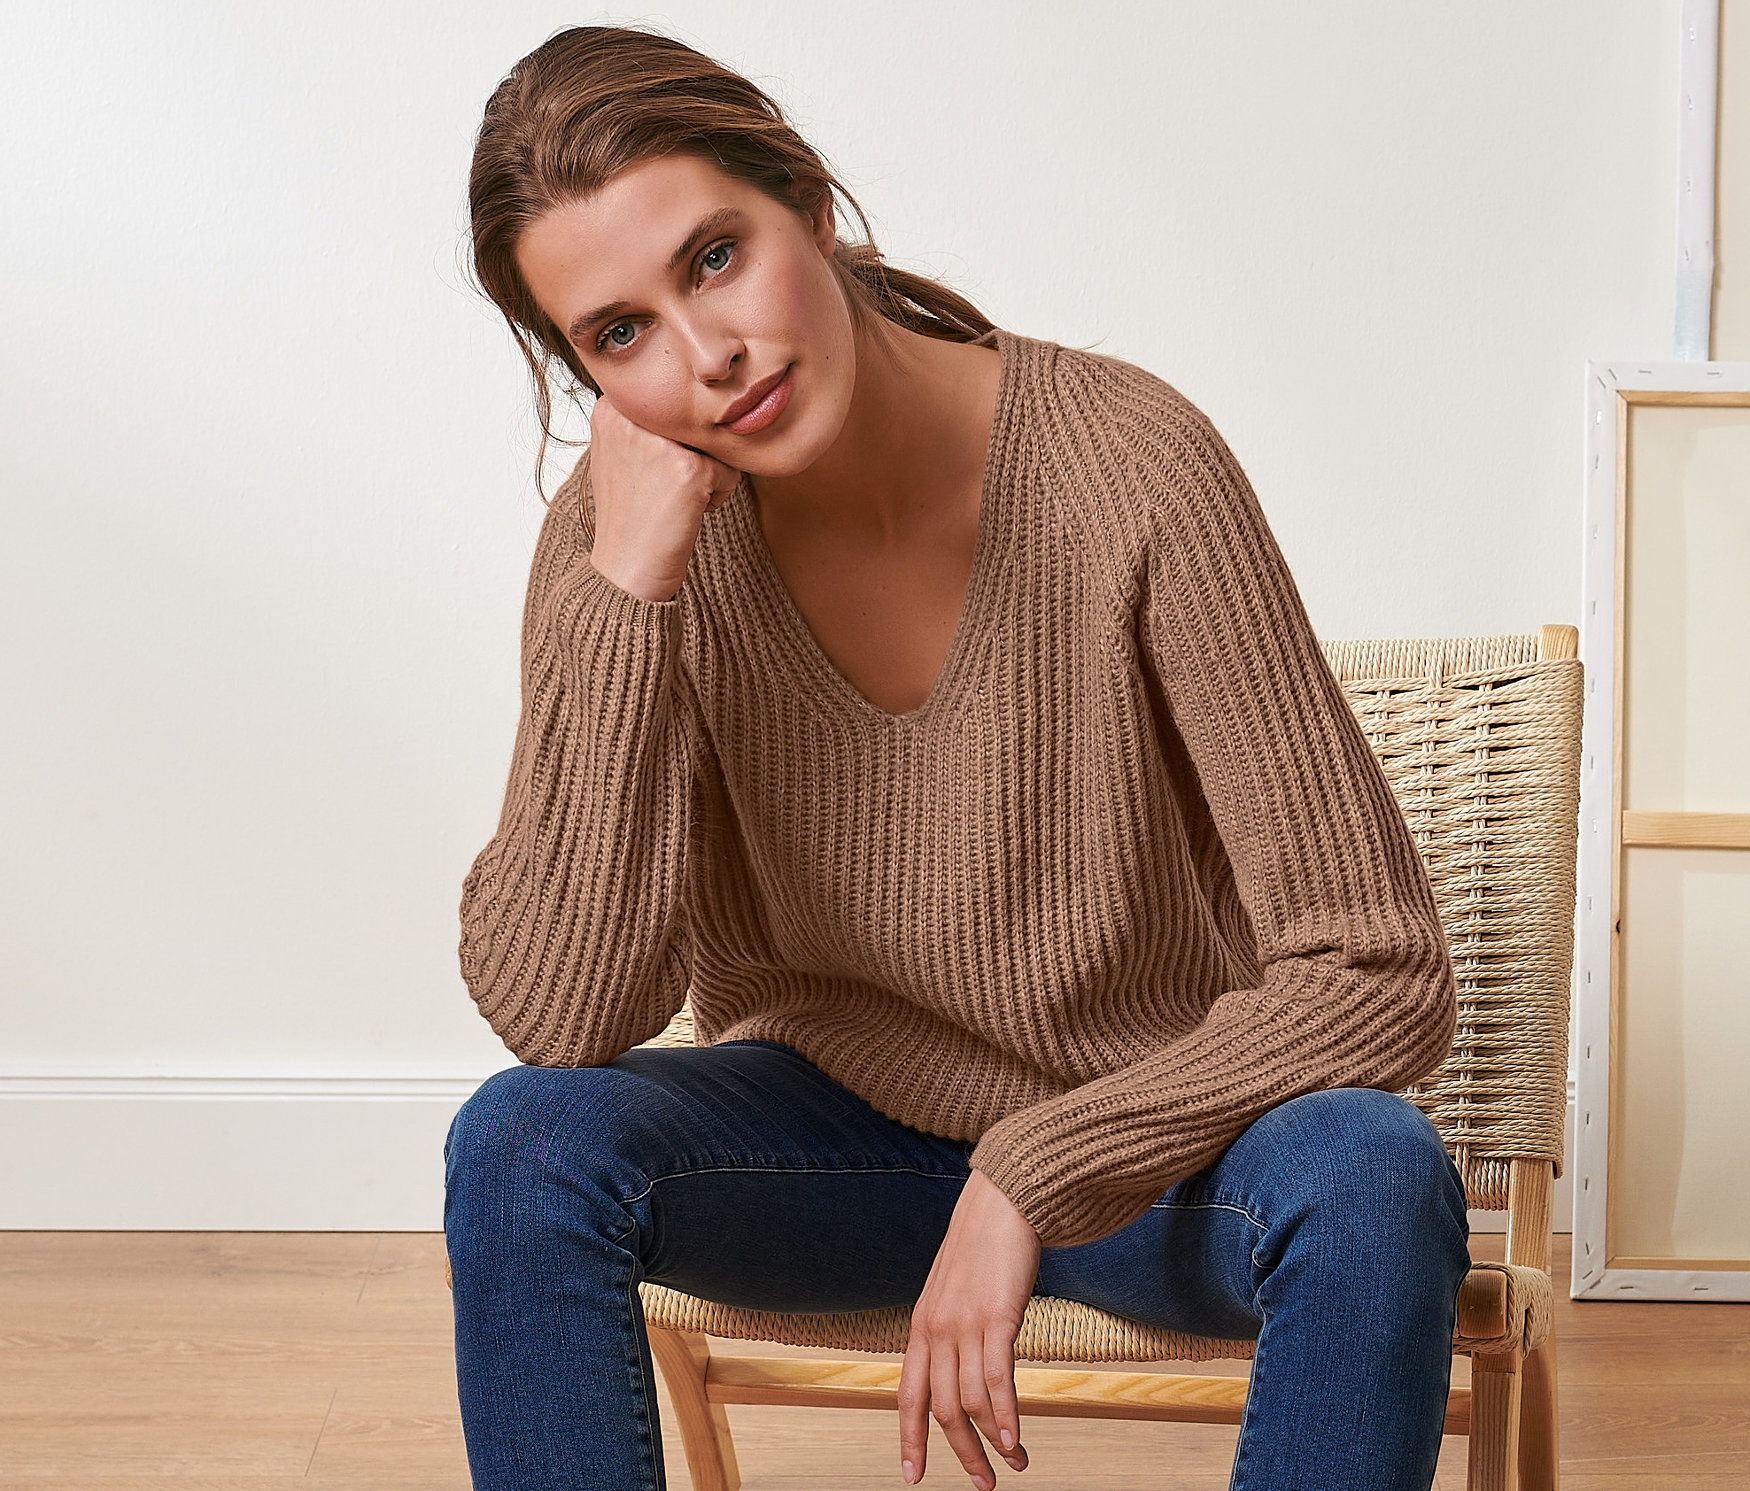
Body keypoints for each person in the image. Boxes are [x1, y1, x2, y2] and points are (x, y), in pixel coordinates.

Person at [444, 23, 1470, 1491]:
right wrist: (628, 591)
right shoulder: (623, 547)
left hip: (1149, 1156)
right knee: (521, 1146)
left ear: (807, 201)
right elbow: (563, 1010)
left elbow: (1377, 970)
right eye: (620, 336)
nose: (705, 356)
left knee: (1371, 1175)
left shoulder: (1128, 463)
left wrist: (1031, 1171)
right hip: (829, 1155)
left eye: (715, 257)